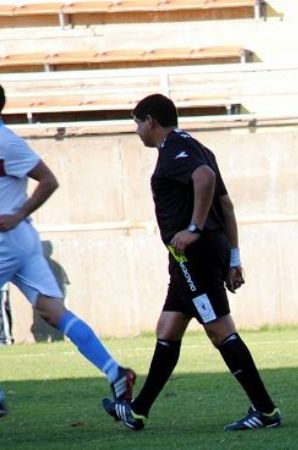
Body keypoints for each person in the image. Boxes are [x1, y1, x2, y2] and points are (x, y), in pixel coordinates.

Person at [102, 94, 281, 432]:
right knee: (167, 328)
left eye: (138, 123)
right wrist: (233, 257)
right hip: (190, 258)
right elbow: (225, 206)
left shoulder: (174, 150)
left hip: (193, 257)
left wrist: (194, 228)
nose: (137, 131)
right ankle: (137, 410)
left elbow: (205, 179)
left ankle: (265, 410)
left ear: (150, 121)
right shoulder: (199, 147)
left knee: (219, 331)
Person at [0, 84, 136, 411]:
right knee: (53, 310)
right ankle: (114, 371)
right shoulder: (7, 139)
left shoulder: (6, 141)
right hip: (23, 240)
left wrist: (18, 212)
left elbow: (48, 180)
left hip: (6, 237)